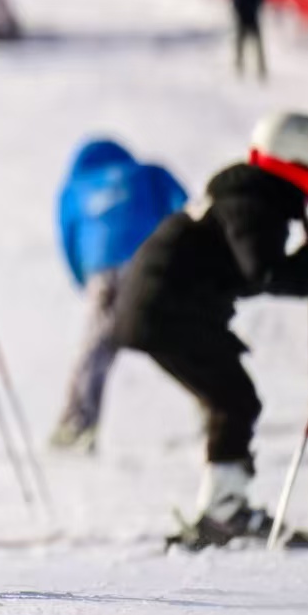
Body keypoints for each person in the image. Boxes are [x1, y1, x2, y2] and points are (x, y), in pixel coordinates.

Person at [112, 112, 308, 549]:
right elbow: (265, 272)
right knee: (235, 398)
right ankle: (223, 512)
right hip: (166, 309)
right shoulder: (256, 201)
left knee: (230, 398)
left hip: (157, 307)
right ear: (299, 163)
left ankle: (224, 507)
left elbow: (246, 271)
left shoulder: (246, 195)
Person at [49, 138, 186, 453]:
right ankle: (216, 403)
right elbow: (183, 207)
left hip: (102, 270)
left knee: (96, 345)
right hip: (150, 259)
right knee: (172, 334)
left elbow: (68, 237)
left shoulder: (75, 188)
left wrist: (82, 278)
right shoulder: (148, 173)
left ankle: (76, 422)